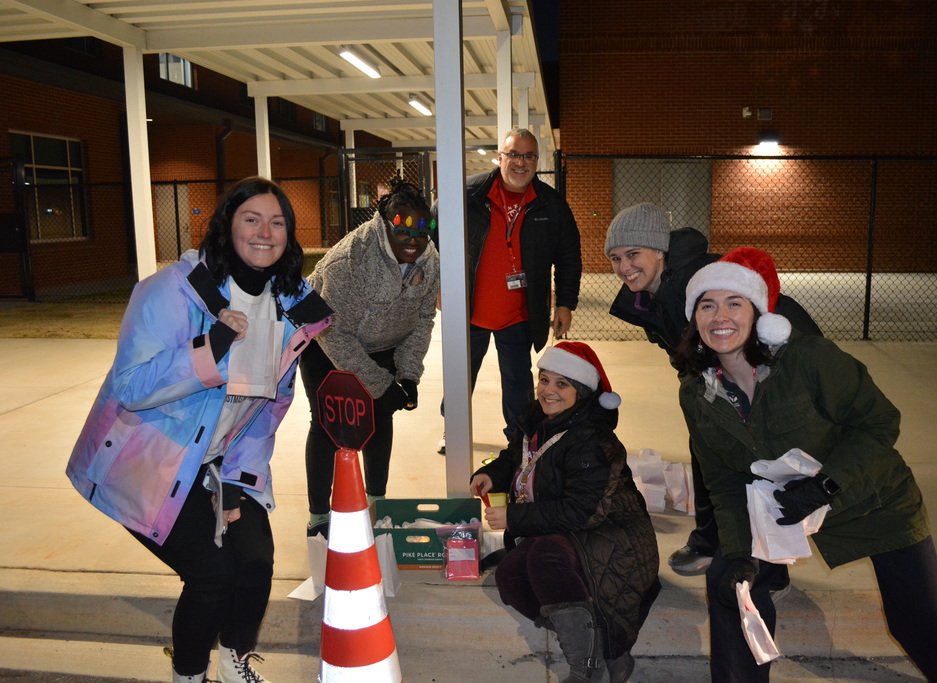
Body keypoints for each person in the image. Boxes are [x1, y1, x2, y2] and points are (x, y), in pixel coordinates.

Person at [66, 177, 333, 683]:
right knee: (212, 575)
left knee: (255, 564)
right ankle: (189, 674)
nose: (264, 232)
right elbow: (130, 385)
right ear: (226, 226)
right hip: (148, 461)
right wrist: (210, 347)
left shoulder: (287, 306)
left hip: (220, 463)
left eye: (277, 222)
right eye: (250, 219)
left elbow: (266, 411)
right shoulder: (172, 290)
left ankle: (233, 659)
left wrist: (237, 480)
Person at [676, 247, 937, 682]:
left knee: (922, 618)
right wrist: (740, 554)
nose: (720, 316)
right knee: (730, 585)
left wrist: (826, 486)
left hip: (871, 499)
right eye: (707, 305)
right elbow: (722, 481)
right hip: (782, 507)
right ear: (695, 320)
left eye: (733, 303)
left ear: (759, 314)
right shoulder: (697, 394)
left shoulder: (808, 358)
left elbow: (878, 422)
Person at [604, 203, 822, 577]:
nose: (624, 267)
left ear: (659, 251)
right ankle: (712, 541)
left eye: (633, 254)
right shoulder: (653, 296)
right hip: (720, 376)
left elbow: (759, 327)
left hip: (771, 373)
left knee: (752, 463)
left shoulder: (696, 283)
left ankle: (767, 568)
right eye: (615, 258)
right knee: (709, 453)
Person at [471, 341, 661, 683]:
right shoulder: (536, 421)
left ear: (583, 392)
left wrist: (514, 518)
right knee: (510, 578)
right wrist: (492, 474)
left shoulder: (590, 440)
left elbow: (583, 510)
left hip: (611, 531)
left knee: (545, 557)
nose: (548, 391)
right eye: (544, 380)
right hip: (562, 525)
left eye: (562, 384)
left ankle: (586, 666)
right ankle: (597, 646)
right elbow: (517, 457)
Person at [300, 176, 439, 537]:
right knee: (328, 425)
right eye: (404, 232)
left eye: (423, 232)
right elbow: (335, 333)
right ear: (384, 226)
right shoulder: (349, 261)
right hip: (323, 342)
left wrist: (407, 376)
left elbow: (423, 319)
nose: (414, 241)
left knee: (379, 416)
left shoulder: (429, 260)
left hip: (383, 342)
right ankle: (319, 517)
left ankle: (375, 506)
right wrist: (380, 383)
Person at [436, 128, 582, 453]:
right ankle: (453, 428)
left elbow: (569, 256)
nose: (520, 162)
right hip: (468, 310)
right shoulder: (469, 195)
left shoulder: (551, 205)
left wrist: (565, 303)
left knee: (518, 383)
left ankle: (518, 440)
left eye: (528, 155)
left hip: (517, 314)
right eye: (513, 154)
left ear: (536, 161)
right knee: (462, 375)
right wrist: (438, 285)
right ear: (500, 157)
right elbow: (433, 237)